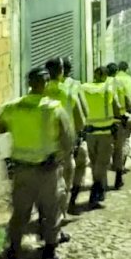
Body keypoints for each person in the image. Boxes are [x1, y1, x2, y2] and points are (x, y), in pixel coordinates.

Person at [0, 67, 73, 259]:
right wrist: (59, 157)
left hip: (21, 171)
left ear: (29, 82)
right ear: (46, 84)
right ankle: (48, 255)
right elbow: (68, 140)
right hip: (47, 170)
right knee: (50, 212)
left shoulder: (14, 106)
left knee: (19, 215)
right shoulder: (54, 109)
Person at [45, 57, 85, 226]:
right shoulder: (68, 92)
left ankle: (44, 214)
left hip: (42, 143)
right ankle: (60, 215)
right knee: (65, 179)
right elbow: (81, 120)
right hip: (63, 144)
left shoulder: (40, 90)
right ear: (61, 71)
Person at [81, 66, 122, 205]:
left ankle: (100, 187)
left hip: (90, 132)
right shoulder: (108, 89)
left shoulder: (84, 87)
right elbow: (116, 107)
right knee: (102, 163)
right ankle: (97, 187)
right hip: (105, 131)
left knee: (94, 163)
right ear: (105, 76)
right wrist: (120, 116)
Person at [62, 56, 89, 214]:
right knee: (80, 163)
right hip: (69, 137)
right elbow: (84, 112)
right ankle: (71, 199)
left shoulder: (44, 87)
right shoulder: (75, 86)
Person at [107, 61, 131, 189]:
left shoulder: (101, 84)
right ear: (116, 72)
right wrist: (126, 111)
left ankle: (100, 183)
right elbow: (129, 100)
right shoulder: (120, 84)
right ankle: (118, 178)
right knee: (118, 150)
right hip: (118, 120)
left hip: (104, 123)